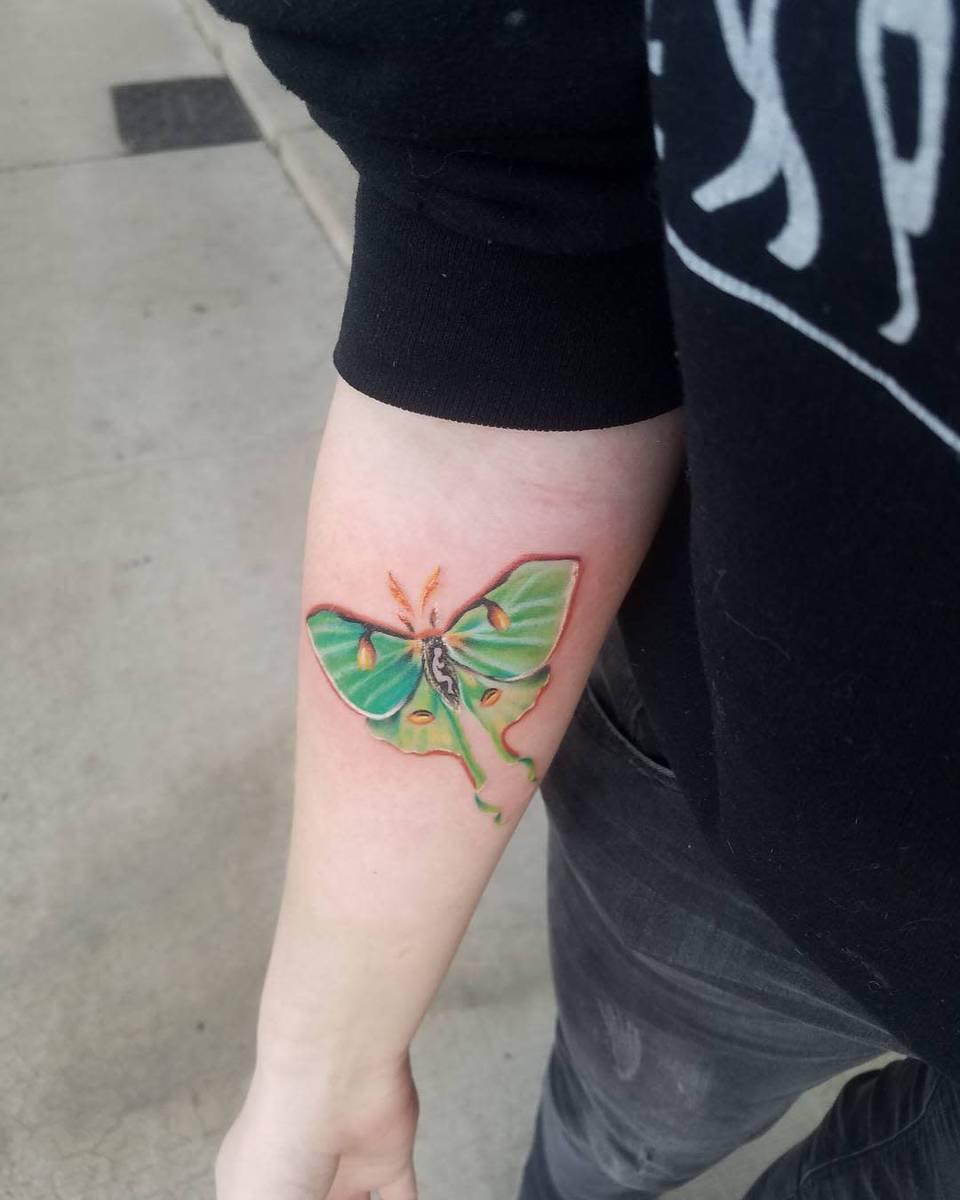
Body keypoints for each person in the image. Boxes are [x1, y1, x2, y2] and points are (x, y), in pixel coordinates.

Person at [210, 3, 960, 1197]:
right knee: (623, 1127)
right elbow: (510, 225)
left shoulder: (422, 661)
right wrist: (323, 1058)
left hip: (747, 818)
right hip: (753, 817)